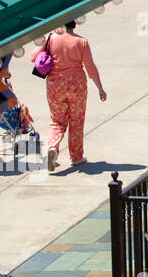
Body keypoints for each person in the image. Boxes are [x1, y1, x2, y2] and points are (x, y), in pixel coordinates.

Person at [41, 19, 105, 172]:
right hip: (77, 85)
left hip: (55, 85)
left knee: (57, 120)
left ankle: (53, 147)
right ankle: (76, 157)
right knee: (76, 119)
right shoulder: (81, 42)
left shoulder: (51, 39)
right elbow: (90, 67)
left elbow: (33, 57)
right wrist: (100, 88)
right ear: (74, 24)